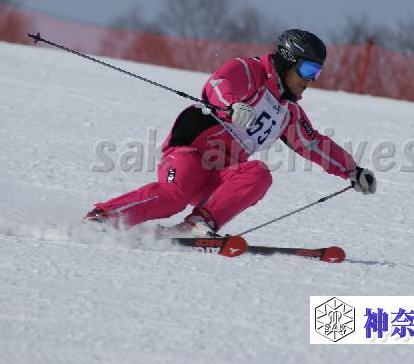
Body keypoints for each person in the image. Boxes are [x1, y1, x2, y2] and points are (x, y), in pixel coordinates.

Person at [83, 29, 376, 237]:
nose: (311, 80)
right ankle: (103, 217)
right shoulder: (249, 71)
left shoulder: (288, 112)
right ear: (289, 60)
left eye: (317, 73)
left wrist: (352, 170)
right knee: (174, 197)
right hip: (189, 153)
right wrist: (232, 106)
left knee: (258, 173)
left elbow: (312, 144)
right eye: (308, 70)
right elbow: (218, 85)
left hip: (219, 172)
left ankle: (196, 226)